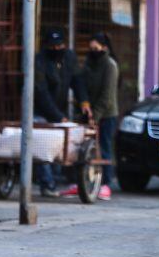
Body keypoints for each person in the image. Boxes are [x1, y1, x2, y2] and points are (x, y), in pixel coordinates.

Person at [34, 28, 91, 197]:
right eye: (53, 46)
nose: (57, 49)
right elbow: (41, 92)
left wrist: (84, 102)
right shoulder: (40, 60)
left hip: (60, 110)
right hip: (41, 110)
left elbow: (77, 81)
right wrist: (58, 116)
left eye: (60, 45)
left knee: (59, 147)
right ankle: (47, 183)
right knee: (42, 145)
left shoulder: (69, 58)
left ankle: (54, 178)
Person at [61, 32, 119, 201]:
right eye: (91, 48)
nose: (93, 51)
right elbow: (82, 86)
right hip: (88, 113)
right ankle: (80, 182)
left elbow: (107, 96)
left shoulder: (110, 65)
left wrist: (97, 115)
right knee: (80, 148)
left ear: (104, 48)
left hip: (106, 115)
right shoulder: (87, 64)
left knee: (104, 148)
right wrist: (85, 107)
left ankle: (105, 184)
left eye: (96, 48)